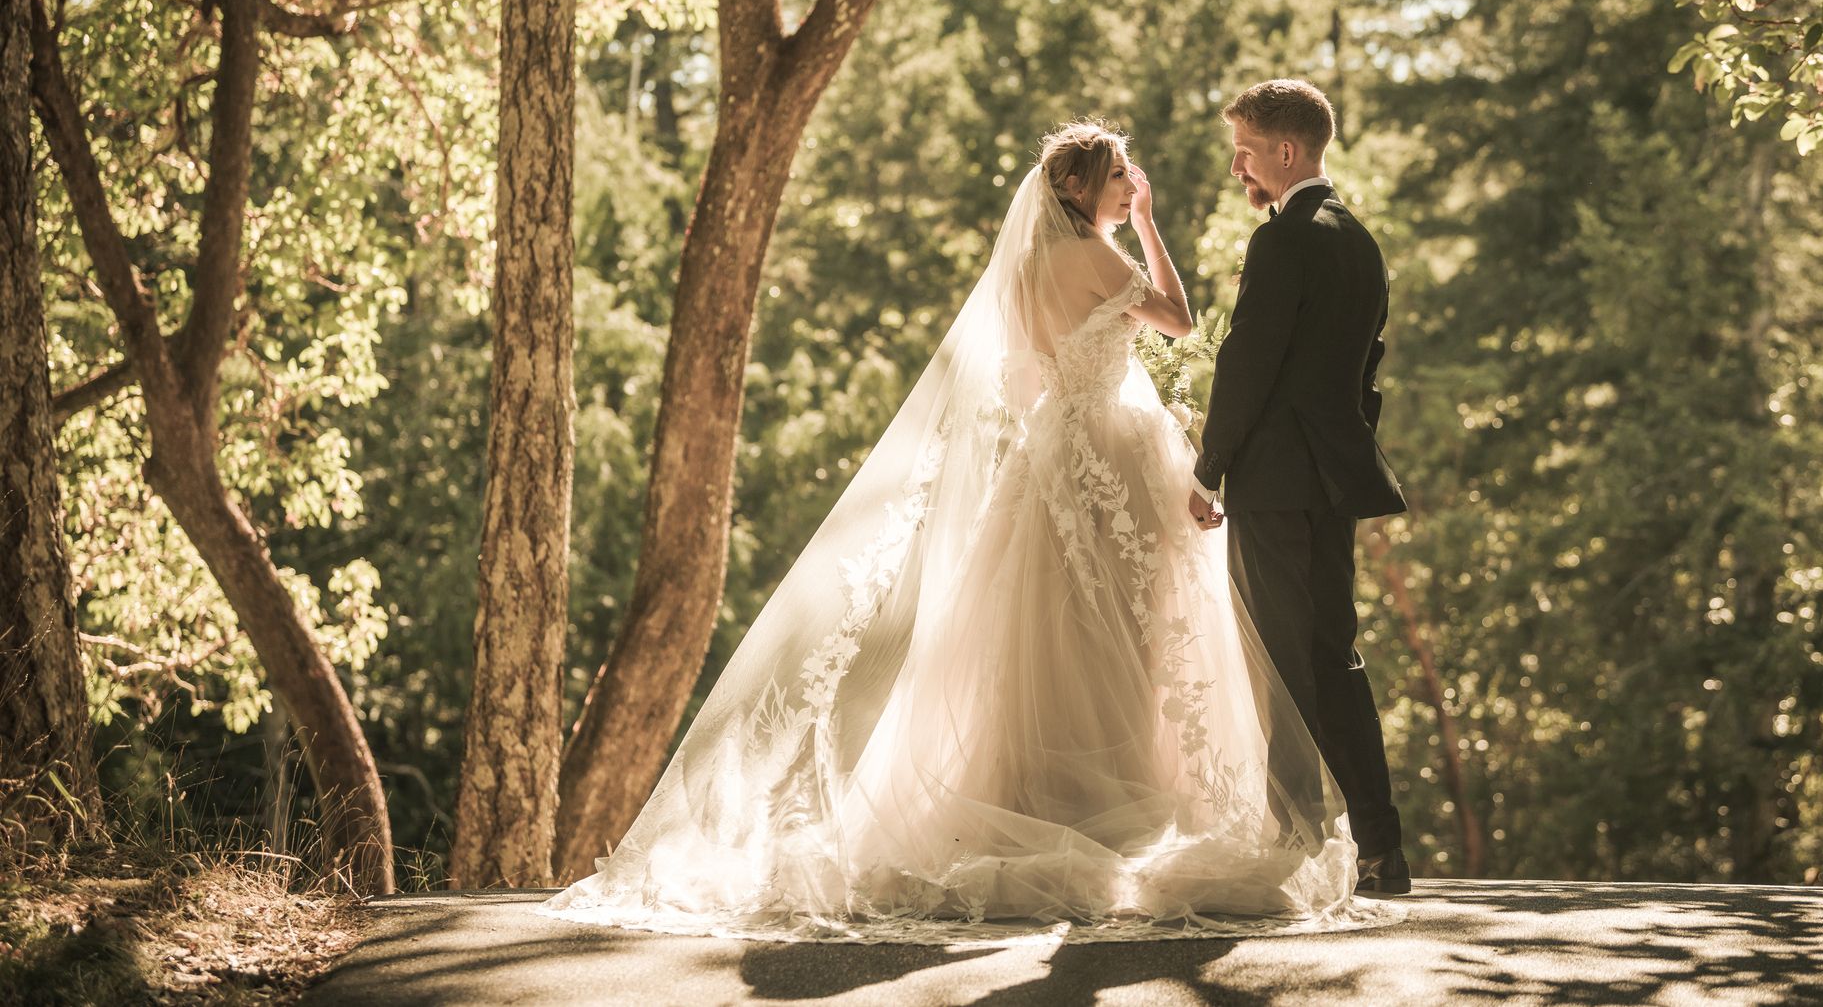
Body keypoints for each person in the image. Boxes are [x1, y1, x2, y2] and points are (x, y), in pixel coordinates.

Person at [539, 121, 1395, 944]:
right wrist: (1148, 227)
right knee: (1133, 625)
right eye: (1116, 174)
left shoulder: (1024, 268)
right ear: (1075, 186)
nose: (1129, 183)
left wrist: (1082, 402)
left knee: (1041, 632)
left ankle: (1052, 798)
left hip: (1052, 449)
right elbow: (1175, 314)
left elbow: (1027, 380)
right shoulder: (1100, 252)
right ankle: (1132, 802)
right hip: (1112, 447)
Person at [1188, 79, 1412, 895]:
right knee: (1334, 656)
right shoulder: (1360, 240)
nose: (1238, 169)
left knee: (1278, 664)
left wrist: (1208, 464)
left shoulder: (1281, 242)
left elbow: (1246, 363)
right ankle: (1382, 848)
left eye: (1244, 152)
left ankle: (1297, 845)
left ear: (1286, 153)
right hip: (1334, 480)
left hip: (1276, 483)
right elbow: (1367, 372)